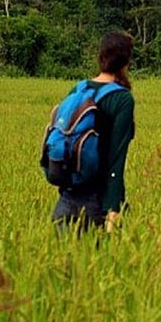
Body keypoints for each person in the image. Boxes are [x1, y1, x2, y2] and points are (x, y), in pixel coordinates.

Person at [51, 31, 136, 232]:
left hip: (65, 203)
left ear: (100, 57)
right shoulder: (122, 99)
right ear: (126, 62)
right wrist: (113, 210)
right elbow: (116, 159)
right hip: (96, 206)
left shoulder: (79, 89)